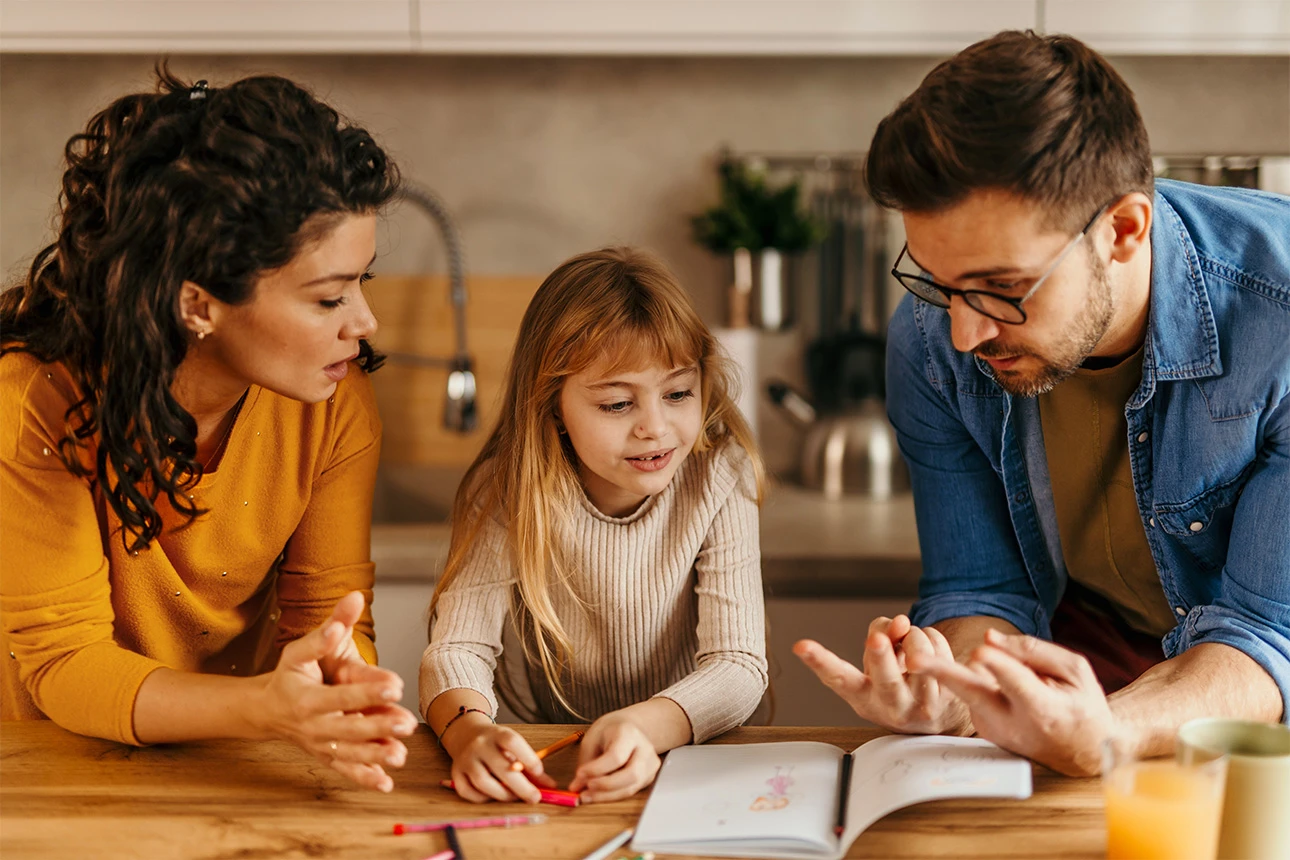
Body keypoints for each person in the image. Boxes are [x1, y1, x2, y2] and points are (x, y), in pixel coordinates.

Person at [794, 30, 1290, 776]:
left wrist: (1111, 732)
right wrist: (955, 694)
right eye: (938, 281)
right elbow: (979, 587)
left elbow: (1265, 638)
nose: (965, 333)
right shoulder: (930, 336)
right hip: (1087, 668)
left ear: (1123, 230)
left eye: (1001, 288)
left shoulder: (1277, 321)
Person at [0, 67, 419, 791]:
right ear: (199, 303)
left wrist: (335, 674)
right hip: (56, 769)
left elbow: (326, 613)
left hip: (238, 764)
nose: (364, 323)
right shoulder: (35, 400)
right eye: (327, 298)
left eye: (363, 282)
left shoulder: (334, 400)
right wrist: (267, 706)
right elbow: (66, 663)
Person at [419, 247, 769, 804]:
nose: (656, 428)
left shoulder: (718, 477)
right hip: (563, 766)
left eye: (678, 393)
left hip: (689, 764)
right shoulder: (508, 489)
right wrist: (470, 733)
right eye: (616, 404)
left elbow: (738, 667)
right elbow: (458, 646)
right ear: (553, 406)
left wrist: (644, 728)